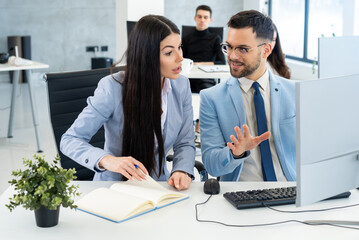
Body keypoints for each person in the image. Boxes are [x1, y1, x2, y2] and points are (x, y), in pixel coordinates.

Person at [61, 15, 195, 190]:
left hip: (159, 186)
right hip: (114, 187)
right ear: (147, 56)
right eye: (169, 52)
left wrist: (182, 170)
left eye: (179, 48)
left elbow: (185, 142)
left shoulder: (181, 85)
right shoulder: (112, 87)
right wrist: (106, 160)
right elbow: (70, 139)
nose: (180, 58)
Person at [199, 10, 296, 181]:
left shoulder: (295, 92)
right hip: (242, 193)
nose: (232, 56)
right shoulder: (212, 98)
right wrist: (235, 153)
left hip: (289, 189)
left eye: (243, 49)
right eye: (228, 47)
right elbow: (211, 165)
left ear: (266, 50)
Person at [182, 5, 226, 93]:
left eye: (205, 17)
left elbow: (222, 62)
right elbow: (182, 60)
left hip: (206, 77)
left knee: (205, 92)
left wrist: (199, 64)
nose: (202, 20)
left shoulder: (215, 38)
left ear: (210, 20)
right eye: (199, 16)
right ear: (195, 18)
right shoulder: (186, 38)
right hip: (188, 76)